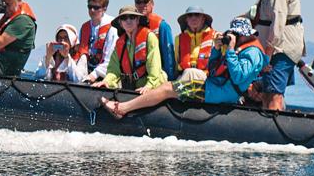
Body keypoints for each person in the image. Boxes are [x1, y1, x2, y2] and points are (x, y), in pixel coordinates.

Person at [102, 18, 269, 118]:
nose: (235, 37)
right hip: (212, 87)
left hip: (217, 93)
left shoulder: (253, 53)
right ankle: (127, 106)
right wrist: (217, 50)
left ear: (247, 34)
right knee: (168, 86)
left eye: (237, 34)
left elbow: (239, 76)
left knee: (167, 89)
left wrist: (231, 49)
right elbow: (213, 70)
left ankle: (122, 109)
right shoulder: (242, 50)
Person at [246, 0, 305, 111]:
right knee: (267, 93)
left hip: (279, 51)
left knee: (273, 95)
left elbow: (277, 23)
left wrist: (268, 55)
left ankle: (272, 132)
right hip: (275, 51)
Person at [90, 6, 166, 92]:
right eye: (124, 18)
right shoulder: (120, 43)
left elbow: (154, 65)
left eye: (132, 17)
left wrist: (149, 86)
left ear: (137, 20)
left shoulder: (150, 37)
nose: (128, 20)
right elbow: (113, 70)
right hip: (133, 89)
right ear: (120, 23)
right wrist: (106, 81)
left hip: (155, 87)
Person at [133, 0, 177, 80]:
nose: (142, 5)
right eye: (138, 2)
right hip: (137, 76)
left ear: (152, 4)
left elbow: (169, 56)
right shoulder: (131, 25)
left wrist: (170, 80)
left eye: (145, 1)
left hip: (158, 75)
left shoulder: (162, 26)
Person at [78, 0, 118, 83]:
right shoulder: (84, 27)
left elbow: (111, 58)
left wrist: (94, 75)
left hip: (106, 75)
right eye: (90, 7)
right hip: (87, 74)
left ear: (104, 8)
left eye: (96, 7)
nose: (92, 10)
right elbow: (81, 55)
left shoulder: (113, 27)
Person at [174, 7, 216, 82]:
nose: (193, 18)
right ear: (186, 20)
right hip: (184, 76)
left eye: (197, 15)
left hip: (207, 78)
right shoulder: (179, 38)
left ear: (203, 19)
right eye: (190, 15)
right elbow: (175, 62)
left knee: (190, 72)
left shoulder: (215, 36)